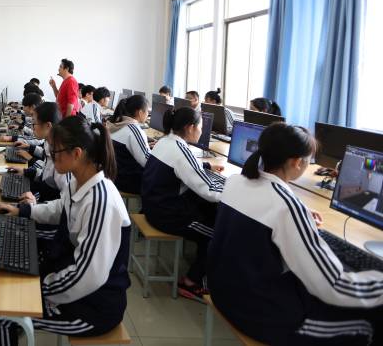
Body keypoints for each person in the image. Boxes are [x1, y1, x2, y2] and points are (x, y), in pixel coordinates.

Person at [208, 123, 383, 345]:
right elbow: (333, 286)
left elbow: (268, 208)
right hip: (260, 315)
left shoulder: (235, 182)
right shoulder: (286, 207)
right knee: (370, 322)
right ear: (296, 162)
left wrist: (299, 213)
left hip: (224, 292)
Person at [0, 116, 131, 344]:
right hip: (73, 281)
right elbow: (60, 208)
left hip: (93, 307)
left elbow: (88, 276)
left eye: (54, 152)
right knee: (10, 286)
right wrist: (23, 211)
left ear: (76, 153)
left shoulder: (101, 202)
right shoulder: (79, 181)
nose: (50, 156)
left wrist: (39, 290)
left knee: (4, 317)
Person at [142, 106, 225, 302]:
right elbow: (209, 191)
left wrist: (205, 165)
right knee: (218, 234)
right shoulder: (181, 151)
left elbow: (183, 167)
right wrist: (236, 191)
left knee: (209, 211)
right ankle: (191, 282)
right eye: (201, 127)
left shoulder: (166, 142)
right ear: (190, 127)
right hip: (166, 215)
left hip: (153, 206)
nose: (202, 132)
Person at [6, 102, 63, 203]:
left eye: (34, 124)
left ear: (48, 125)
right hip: (42, 198)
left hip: (45, 204)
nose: (32, 127)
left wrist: (35, 203)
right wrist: (25, 172)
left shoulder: (62, 157)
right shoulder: (49, 144)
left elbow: (61, 203)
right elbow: (45, 175)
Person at [109, 95, 152, 194]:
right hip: (128, 182)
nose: (148, 115)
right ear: (140, 112)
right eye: (147, 112)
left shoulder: (117, 123)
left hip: (115, 176)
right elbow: (147, 162)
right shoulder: (134, 129)